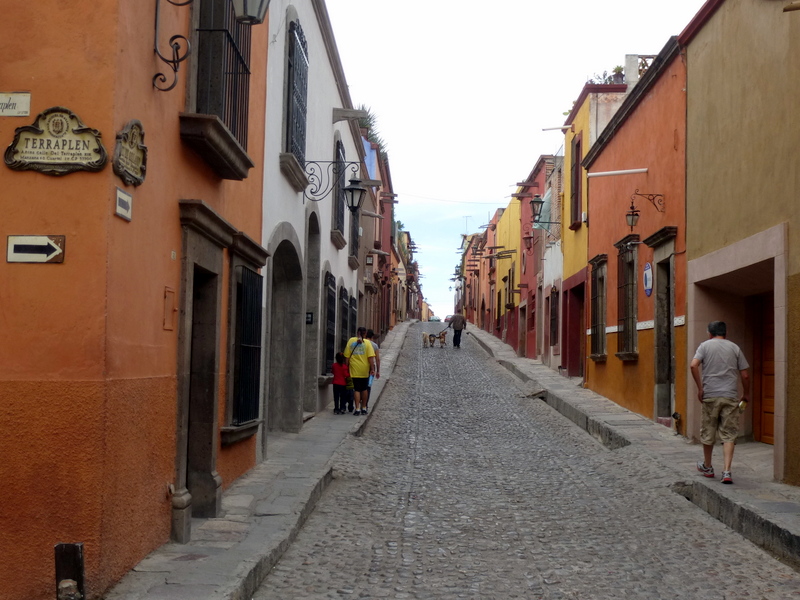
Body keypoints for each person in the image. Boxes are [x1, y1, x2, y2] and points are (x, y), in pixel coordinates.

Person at [691, 321, 749, 484]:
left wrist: (700, 388)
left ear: (710, 333)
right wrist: (746, 394)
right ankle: (727, 471)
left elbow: (693, 365)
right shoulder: (734, 348)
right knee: (729, 433)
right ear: (725, 333)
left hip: (710, 395)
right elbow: (745, 375)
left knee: (708, 430)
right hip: (730, 396)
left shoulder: (704, 346)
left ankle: (708, 467)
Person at [343, 326, 376, 416]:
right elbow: (371, 358)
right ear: (365, 334)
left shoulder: (351, 341)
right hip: (364, 370)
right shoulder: (368, 343)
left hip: (354, 369)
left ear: (357, 332)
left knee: (356, 389)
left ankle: (357, 408)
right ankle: (364, 408)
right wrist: (372, 369)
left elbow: (347, 357)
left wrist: (347, 367)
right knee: (364, 389)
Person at [364, 329, 381, 412]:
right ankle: (365, 404)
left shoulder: (361, 343)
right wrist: (378, 371)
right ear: (372, 336)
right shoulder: (374, 345)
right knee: (368, 386)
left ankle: (357, 403)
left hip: (360, 367)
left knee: (359, 386)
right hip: (371, 369)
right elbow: (377, 359)